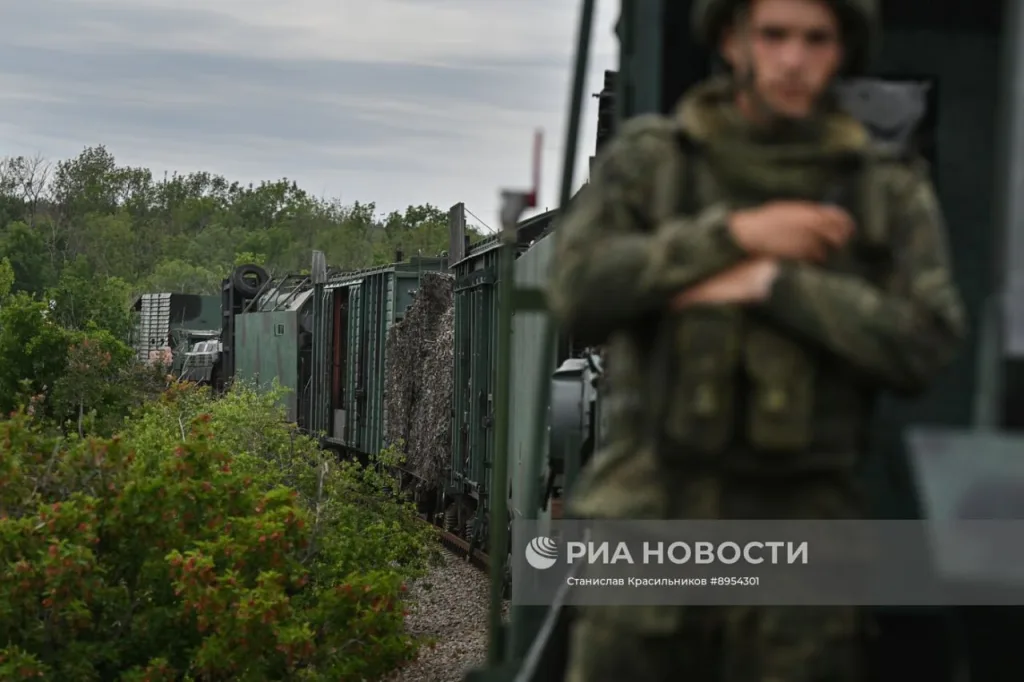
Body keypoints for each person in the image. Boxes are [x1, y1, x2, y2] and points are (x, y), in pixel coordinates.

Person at [546, 0, 966, 680]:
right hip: (653, 525)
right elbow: (578, 292)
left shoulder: (883, 188)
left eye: (816, 39)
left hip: (802, 546)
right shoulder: (655, 165)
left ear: (844, 50)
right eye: (773, 35)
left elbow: (927, 341)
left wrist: (775, 284)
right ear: (731, 40)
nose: (794, 60)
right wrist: (735, 237)